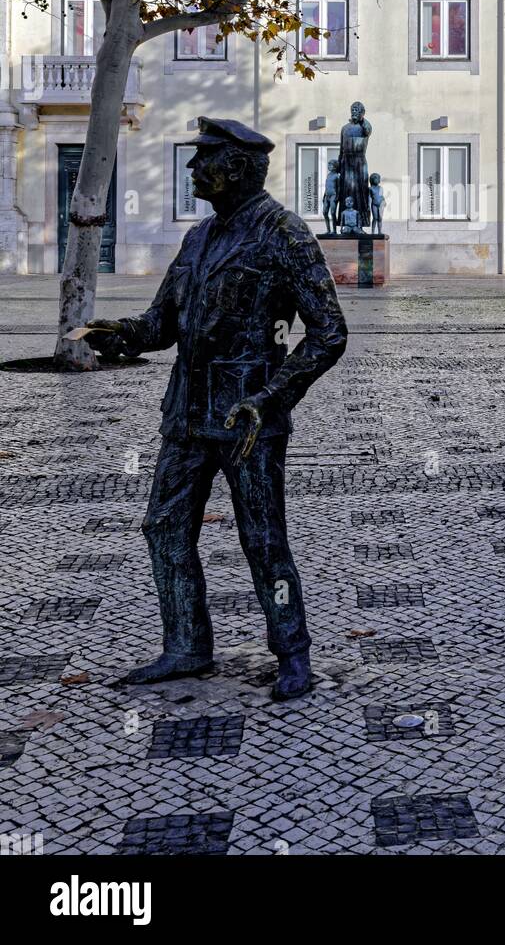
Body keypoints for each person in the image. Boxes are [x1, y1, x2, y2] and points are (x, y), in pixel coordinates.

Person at [83, 117, 348, 701]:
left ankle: (292, 651)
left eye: (204, 158)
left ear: (238, 167)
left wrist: (272, 397)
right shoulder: (198, 238)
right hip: (185, 414)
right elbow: (162, 325)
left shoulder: (285, 233)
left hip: (248, 419)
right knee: (164, 526)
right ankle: (186, 645)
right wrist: (119, 333)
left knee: (262, 537)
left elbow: (329, 333)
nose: (192, 167)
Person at [337, 101, 372, 228]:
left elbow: (367, 130)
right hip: (346, 161)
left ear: (362, 112)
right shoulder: (345, 128)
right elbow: (341, 148)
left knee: (360, 190)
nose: (354, 112)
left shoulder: (365, 127)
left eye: (357, 110)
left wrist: (362, 119)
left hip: (359, 162)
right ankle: (344, 222)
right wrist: (339, 164)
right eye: (353, 109)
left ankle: (360, 222)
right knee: (346, 190)